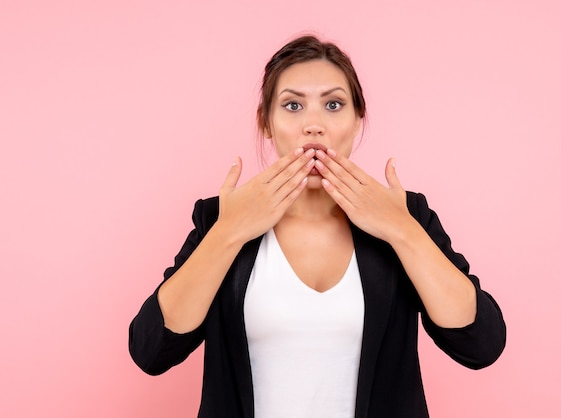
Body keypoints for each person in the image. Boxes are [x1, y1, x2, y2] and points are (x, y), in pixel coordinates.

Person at [129, 35, 506, 418]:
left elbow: (482, 344)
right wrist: (228, 233)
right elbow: (151, 350)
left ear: (358, 120)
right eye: (292, 105)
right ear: (266, 123)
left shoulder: (405, 214)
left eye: (333, 104)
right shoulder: (222, 218)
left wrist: (402, 230)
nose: (313, 125)